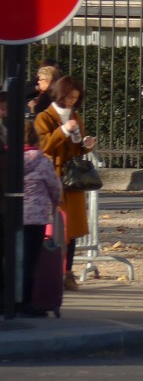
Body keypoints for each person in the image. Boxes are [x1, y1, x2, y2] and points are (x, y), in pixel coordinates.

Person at [34, 75, 96, 291]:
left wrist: (87, 145)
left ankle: (68, 272)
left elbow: (78, 148)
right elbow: (43, 145)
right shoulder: (44, 117)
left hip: (72, 180)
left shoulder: (75, 116)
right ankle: (53, 272)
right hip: (53, 178)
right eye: (69, 97)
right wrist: (63, 131)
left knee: (72, 229)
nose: (71, 102)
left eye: (75, 99)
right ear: (60, 95)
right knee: (55, 228)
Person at [20, 120, 62, 316]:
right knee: (31, 260)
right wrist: (54, 203)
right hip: (36, 217)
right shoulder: (42, 161)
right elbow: (55, 187)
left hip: (12, 216)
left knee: (12, 258)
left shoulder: (9, 159)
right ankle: (27, 301)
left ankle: (9, 299)